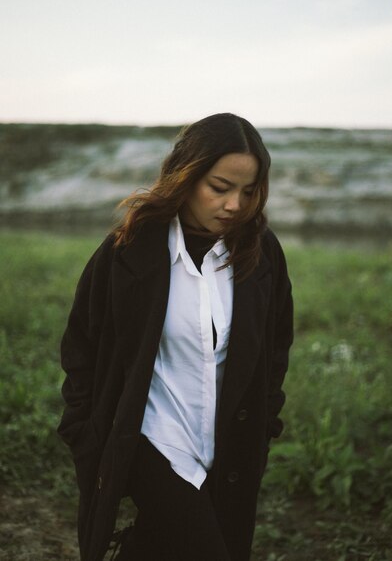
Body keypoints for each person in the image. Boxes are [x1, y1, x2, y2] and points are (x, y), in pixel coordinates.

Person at [57, 112, 294, 561]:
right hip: (153, 442)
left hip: (227, 451)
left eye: (248, 191)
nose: (235, 206)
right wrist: (84, 432)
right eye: (220, 188)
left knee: (159, 544)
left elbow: (275, 348)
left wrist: (266, 424)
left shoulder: (261, 254)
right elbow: (81, 346)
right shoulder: (129, 250)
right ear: (185, 176)